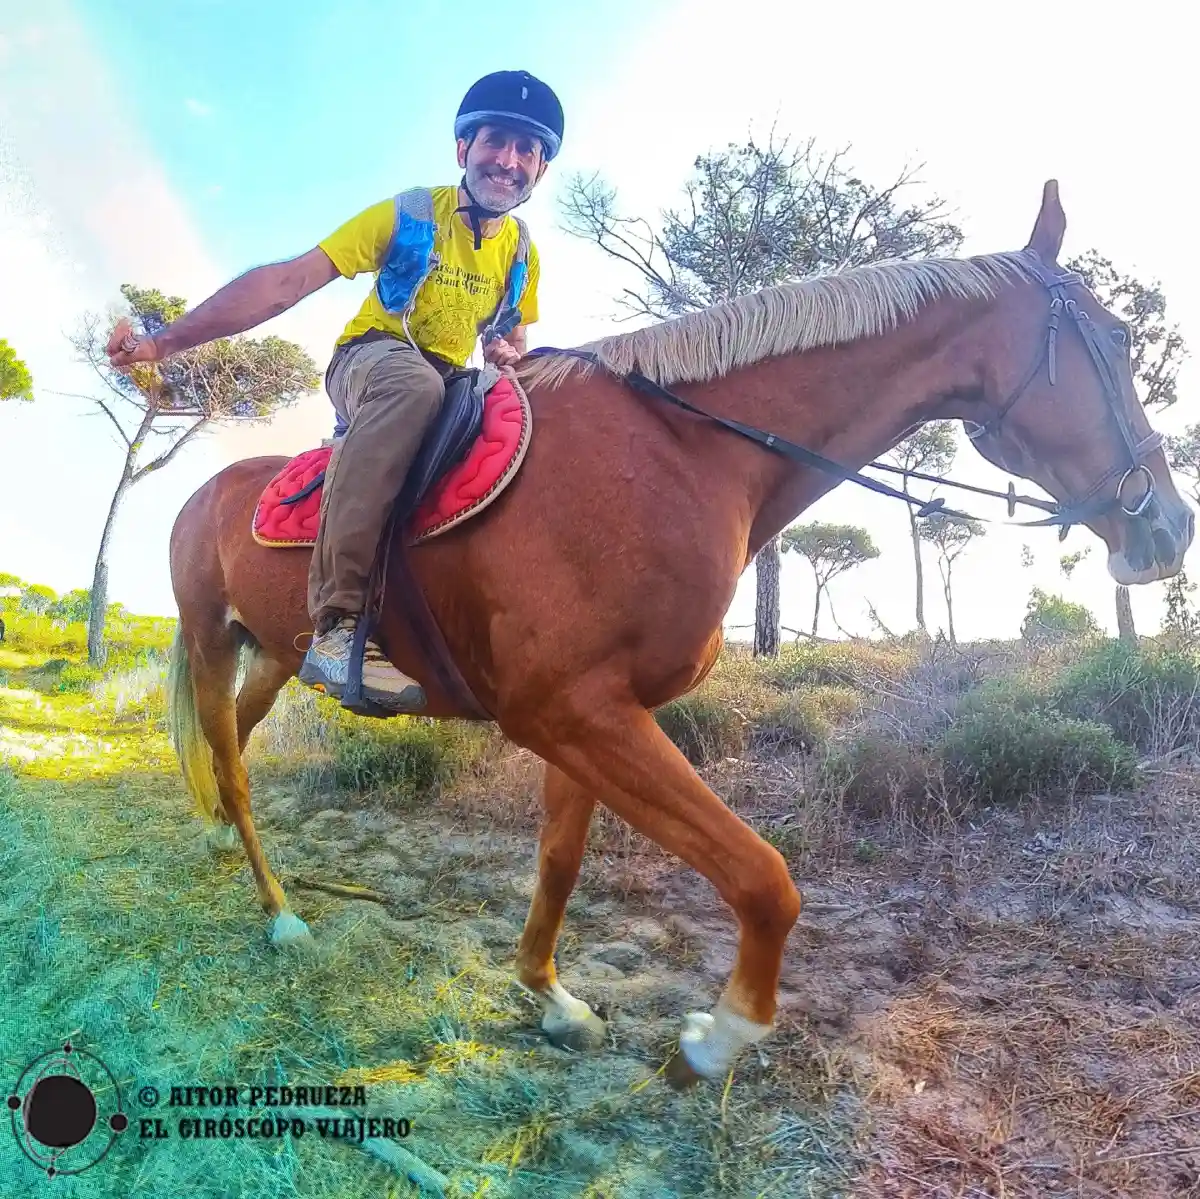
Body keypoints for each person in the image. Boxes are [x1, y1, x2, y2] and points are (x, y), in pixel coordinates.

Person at [107, 70, 563, 712]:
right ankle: (338, 626)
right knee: (413, 388)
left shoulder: (523, 252)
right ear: (464, 148)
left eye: (528, 151)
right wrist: (161, 342)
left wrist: (509, 356)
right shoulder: (408, 214)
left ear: (540, 170)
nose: (509, 161)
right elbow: (287, 282)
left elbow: (513, 341)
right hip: (376, 361)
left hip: (452, 376)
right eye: (496, 141)